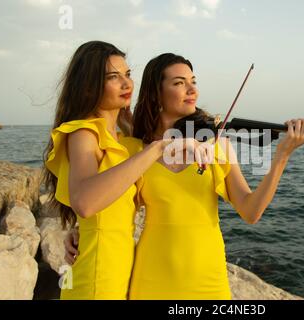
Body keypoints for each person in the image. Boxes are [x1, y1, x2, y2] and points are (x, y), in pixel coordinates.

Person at [65, 53, 304, 300]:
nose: (192, 90)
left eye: (193, 82)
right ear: (156, 93)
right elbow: (108, 201)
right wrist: (80, 230)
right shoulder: (135, 149)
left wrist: (282, 156)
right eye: (179, 83)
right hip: (150, 277)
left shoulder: (217, 144)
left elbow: (251, 212)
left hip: (208, 278)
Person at [43, 42, 206, 299]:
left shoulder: (122, 139)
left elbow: (113, 200)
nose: (127, 84)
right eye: (113, 77)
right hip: (96, 280)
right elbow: (85, 202)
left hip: (120, 272)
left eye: (128, 75)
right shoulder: (84, 132)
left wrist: (80, 230)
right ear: (89, 85)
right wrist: (157, 149)